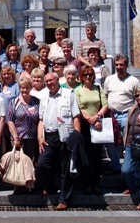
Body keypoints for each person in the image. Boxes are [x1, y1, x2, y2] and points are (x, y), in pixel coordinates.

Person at [35, 72, 82, 210]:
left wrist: (76, 137)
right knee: (42, 165)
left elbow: (76, 117)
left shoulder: (69, 94)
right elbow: (41, 119)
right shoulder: (43, 96)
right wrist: (39, 137)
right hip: (48, 137)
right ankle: (50, 188)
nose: (50, 83)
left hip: (65, 136)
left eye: (52, 80)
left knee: (66, 169)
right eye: (47, 81)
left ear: (57, 80)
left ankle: (64, 199)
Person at [103, 53, 140, 174]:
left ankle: (129, 167)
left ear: (126, 65)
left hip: (127, 115)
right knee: (110, 142)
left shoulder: (134, 81)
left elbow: (139, 99)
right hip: (112, 115)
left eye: (121, 65)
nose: (119, 67)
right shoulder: (109, 80)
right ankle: (115, 165)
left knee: (129, 142)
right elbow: (105, 96)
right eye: (117, 64)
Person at [74, 65, 108, 195]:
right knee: (85, 156)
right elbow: (77, 107)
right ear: (81, 77)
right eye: (85, 75)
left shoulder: (98, 88)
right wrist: (89, 119)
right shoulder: (78, 90)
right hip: (84, 125)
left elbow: (105, 104)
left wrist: (97, 117)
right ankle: (87, 183)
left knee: (97, 156)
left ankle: (96, 183)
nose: (88, 77)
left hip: (97, 124)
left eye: (90, 74)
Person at [6, 77, 40, 194]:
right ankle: (18, 187)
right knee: (18, 163)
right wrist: (15, 137)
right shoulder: (13, 102)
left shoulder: (36, 102)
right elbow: (9, 120)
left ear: (31, 88)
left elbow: (40, 119)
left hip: (32, 137)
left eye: (27, 87)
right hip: (18, 137)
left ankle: (29, 185)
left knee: (30, 163)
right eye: (22, 88)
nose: (24, 90)